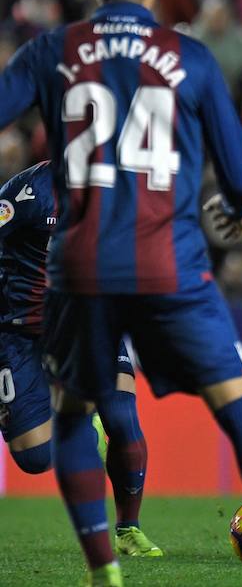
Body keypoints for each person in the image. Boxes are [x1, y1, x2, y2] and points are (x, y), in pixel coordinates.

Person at [0, 0, 242, 585]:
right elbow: (236, 171)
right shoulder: (191, 58)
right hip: (169, 262)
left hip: (86, 268)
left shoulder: (54, 50)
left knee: (75, 417)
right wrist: (231, 208)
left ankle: (105, 570)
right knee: (238, 405)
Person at [0, 162, 161, 558]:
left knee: (123, 420)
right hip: (19, 330)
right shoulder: (27, 194)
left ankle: (129, 530)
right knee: (35, 457)